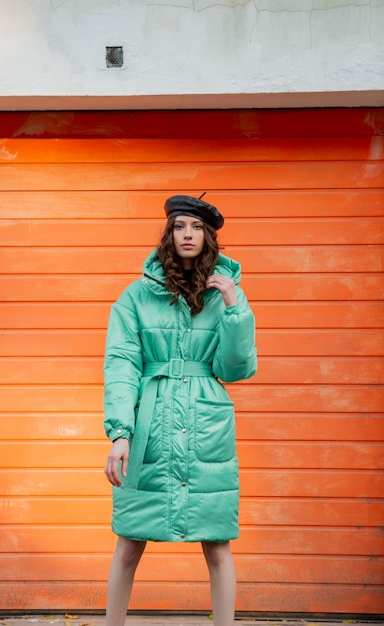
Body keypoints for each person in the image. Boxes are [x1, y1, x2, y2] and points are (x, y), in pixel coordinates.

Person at [103, 194, 257, 626]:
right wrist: (120, 433)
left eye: (196, 227)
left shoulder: (226, 294)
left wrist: (234, 308)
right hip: (150, 422)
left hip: (206, 421)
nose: (187, 234)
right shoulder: (136, 297)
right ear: (168, 235)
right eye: (179, 226)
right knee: (129, 540)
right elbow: (120, 365)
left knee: (218, 541)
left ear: (208, 237)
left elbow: (236, 368)